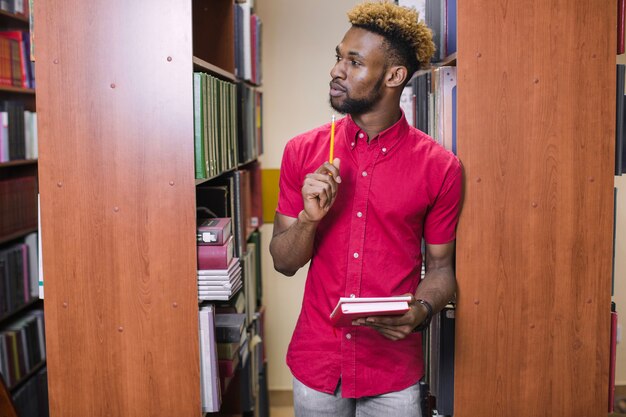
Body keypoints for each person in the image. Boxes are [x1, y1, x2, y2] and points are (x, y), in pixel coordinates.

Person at [269, 2, 462, 416]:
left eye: (354, 62)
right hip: (318, 364)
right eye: (338, 57)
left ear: (393, 76)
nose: (336, 70)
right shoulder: (302, 152)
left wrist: (422, 310)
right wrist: (308, 219)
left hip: (393, 372)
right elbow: (283, 263)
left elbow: (442, 269)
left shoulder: (441, 167)